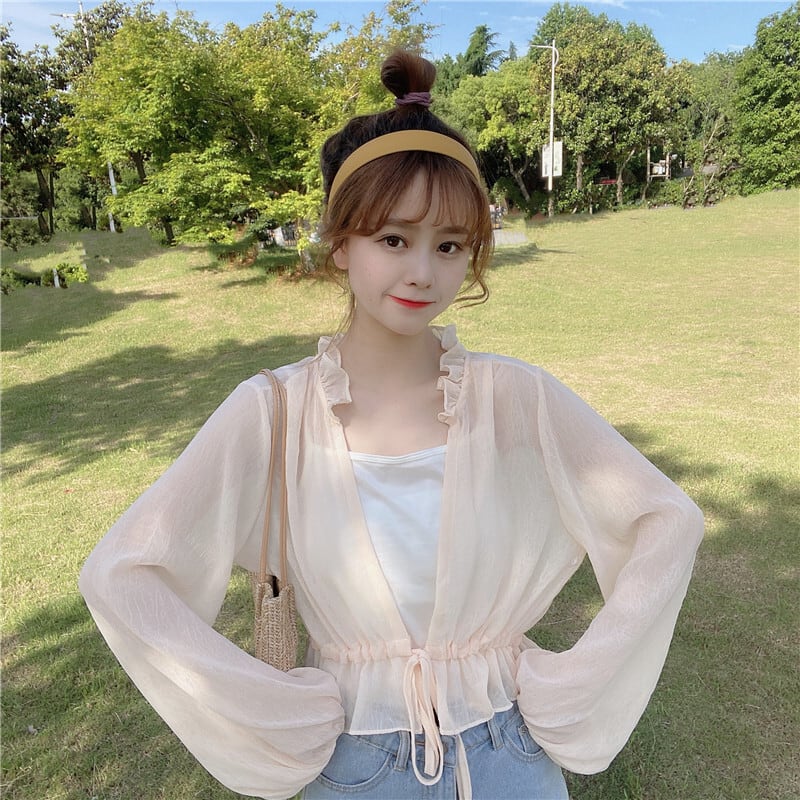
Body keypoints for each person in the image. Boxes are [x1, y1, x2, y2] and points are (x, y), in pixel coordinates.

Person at [79, 51, 704, 800]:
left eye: (450, 245)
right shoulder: (273, 411)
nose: (422, 273)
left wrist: (576, 684)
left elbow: (665, 519)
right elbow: (123, 574)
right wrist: (270, 711)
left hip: (506, 751)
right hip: (352, 760)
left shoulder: (513, 397)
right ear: (340, 242)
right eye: (394, 239)